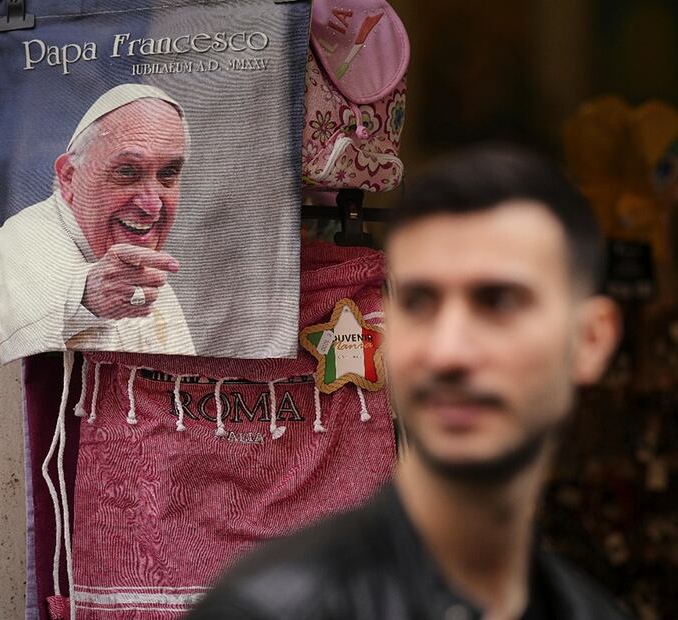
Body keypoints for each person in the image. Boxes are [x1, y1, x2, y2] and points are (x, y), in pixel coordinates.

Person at [188, 145, 629, 619]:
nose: (447, 352)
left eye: (498, 302)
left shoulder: (590, 611)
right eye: (419, 302)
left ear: (591, 340)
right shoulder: (269, 609)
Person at [0, 84, 195, 362]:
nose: (152, 205)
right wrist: (86, 297)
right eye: (127, 172)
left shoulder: (142, 271)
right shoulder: (19, 240)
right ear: (69, 177)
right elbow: (6, 342)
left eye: (168, 174)